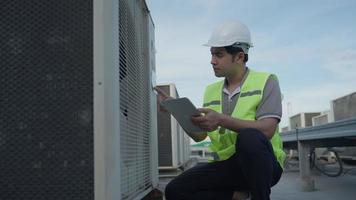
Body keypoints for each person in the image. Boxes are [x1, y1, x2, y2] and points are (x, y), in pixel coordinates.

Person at [155, 20, 286, 200]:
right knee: (175, 191)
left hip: (263, 166)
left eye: (219, 54)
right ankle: (237, 194)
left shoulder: (266, 81)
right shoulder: (211, 90)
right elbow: (200, 136)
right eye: (211, 54)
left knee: (250, 137)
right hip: (227, 166)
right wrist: (177, 111)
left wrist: (222, 119)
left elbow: (267, 130)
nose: (212, 61)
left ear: (239, 57)